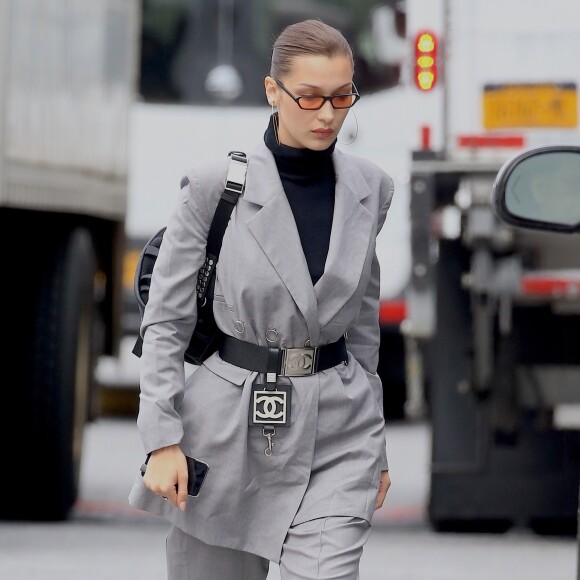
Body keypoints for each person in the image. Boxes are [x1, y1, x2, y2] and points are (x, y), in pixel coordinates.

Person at [128, 18, 393, 580]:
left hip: (339, 430)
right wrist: (161, 439)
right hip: (225, 428)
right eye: (310, 97)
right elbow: (166, 323)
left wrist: (377, 447)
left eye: (342, 97)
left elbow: (362, 329)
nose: (327, 114)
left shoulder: (372, 187)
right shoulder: (212, 186)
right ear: (273, 92)